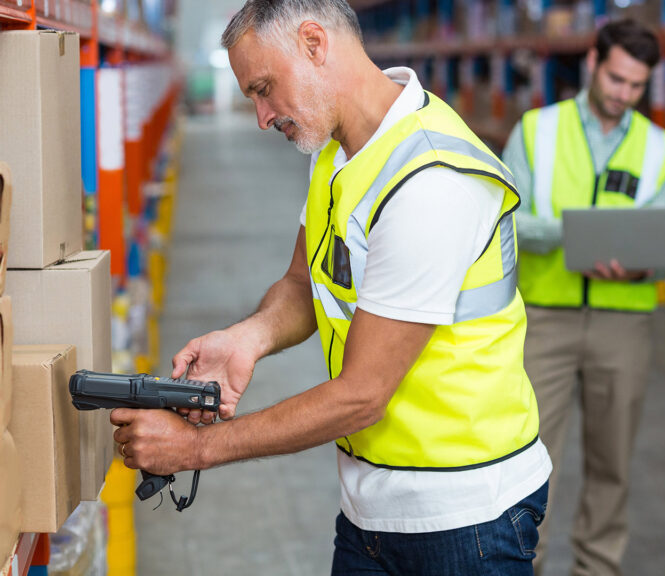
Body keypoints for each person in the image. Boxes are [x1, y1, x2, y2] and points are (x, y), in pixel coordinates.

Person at [110, 1, 552, 574]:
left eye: (265, 89)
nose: (263, 117)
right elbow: (305, 282)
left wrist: (196, 449)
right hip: (370, 506)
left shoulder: (431, 180)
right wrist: (249, 338)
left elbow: (362, 393)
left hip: (463, 519)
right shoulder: (336, 153)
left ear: (315, 44)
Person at [502, 19, 665, 576]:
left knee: (613, 465)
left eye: (636, 85)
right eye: (616, 79)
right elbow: (508, 220)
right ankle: (524, 567)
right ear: (592, 64)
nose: (623, 95)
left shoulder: (661, 146)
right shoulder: (537, 130)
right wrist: (576, 234)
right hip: (545, 319)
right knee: (530, 464)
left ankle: (598, 569)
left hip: (622, 322)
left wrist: (639, 261)